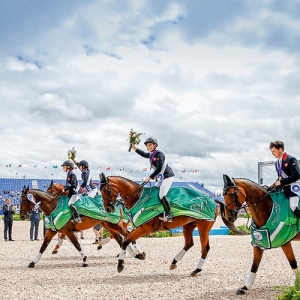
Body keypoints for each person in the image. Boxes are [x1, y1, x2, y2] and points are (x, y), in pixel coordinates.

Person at [130, 137, 175, 222]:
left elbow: (159, 168)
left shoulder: (159, 154)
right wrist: (134, 148)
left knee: (161, 194)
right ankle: (160, 212)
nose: (148, 146)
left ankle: (169, 215)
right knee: (154, 193)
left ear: (155, 145)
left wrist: (150, 177)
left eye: (150, 145)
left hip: (167, 177)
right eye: (147, 145)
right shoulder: (151, 154)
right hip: (160, 178)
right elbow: (143, 154)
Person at [269, 140, 300, 217]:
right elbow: (280, 178)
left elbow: (297, 175)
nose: (272, 153)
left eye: (274, 151)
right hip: (284, 189)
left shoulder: (290, 159)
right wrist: (272, 186)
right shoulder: (277, 163)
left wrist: (281, 182)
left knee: (293, 206)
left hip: (294, 189)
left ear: (280, 149)